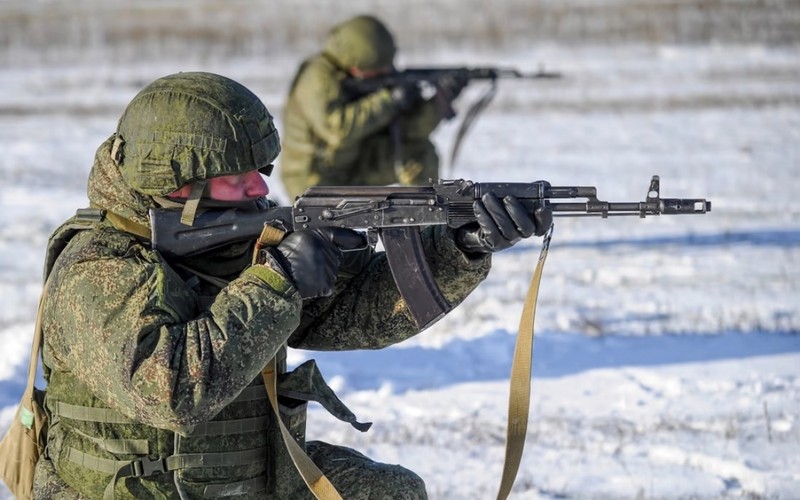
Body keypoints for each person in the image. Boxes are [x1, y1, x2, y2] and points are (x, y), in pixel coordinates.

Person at [32, 71, 551, 499]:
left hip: (251, 470)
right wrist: (277, 281)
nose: (260, 187)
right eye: (238, 177)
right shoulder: (96, 268)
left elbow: (351, 314)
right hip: (137, 489)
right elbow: (172, 392)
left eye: (261, 170)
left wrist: (458, 246)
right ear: (177, 185)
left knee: (392, 492)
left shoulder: (236, 233)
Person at [279, 14, 467, 200]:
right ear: (356, 64)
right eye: (376, 71)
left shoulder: (369, 79)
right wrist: (388, 100)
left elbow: (411, 131)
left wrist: (438, 102)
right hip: (314, 179)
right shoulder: (316, 77)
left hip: (356, 165)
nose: (383, 74)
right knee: (330, 230)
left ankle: (426, 222)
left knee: (419, 153)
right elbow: (337, 131)